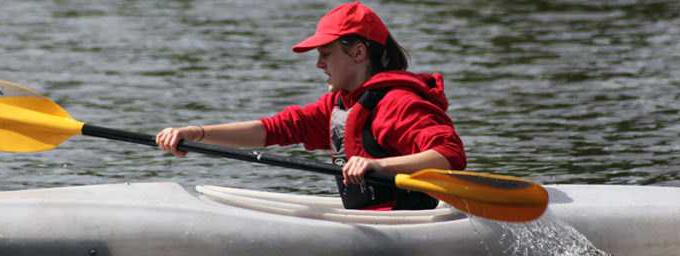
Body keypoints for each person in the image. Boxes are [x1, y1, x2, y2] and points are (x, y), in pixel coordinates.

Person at [155, 2, 465, 210]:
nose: (317, 64)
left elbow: (449, 156)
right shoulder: (339, 103)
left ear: (359, 52)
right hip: (373, 221)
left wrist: (378, 165)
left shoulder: (398, 103)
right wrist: (196, 133)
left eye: (326, 54)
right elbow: (272, 130)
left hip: (408, 228)